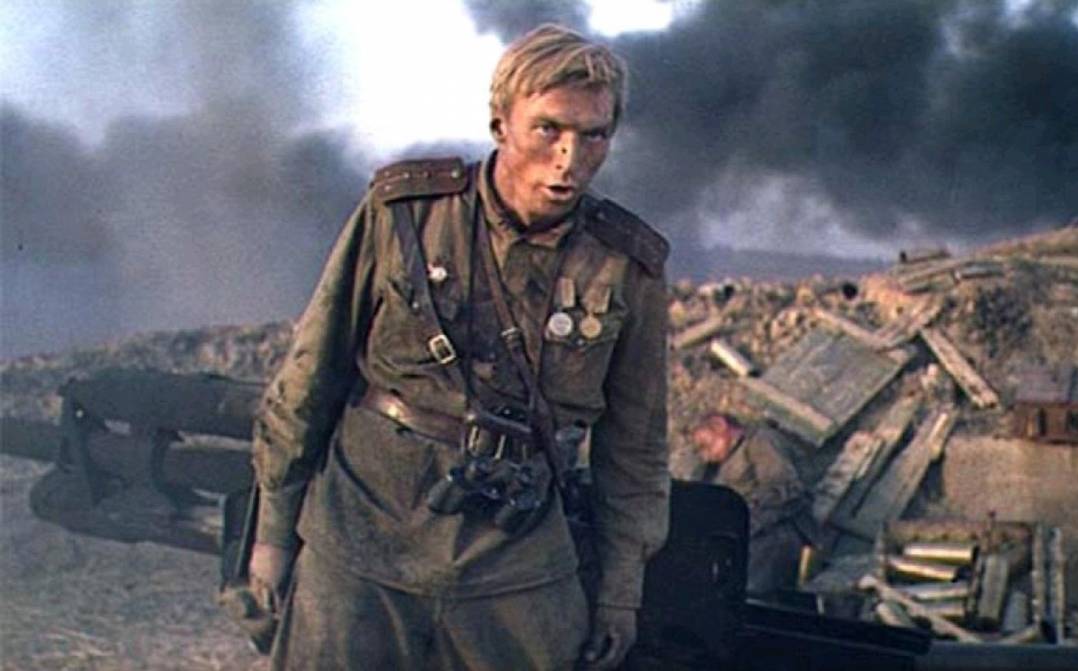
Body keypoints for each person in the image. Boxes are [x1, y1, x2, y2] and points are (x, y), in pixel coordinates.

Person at [246, 24, 670, 671]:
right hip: (365, 531)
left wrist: (619, 593)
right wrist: (273, 534)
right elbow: (311, 373)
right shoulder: (405, 213)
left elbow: (635, 446)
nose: (569, 158)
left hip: (517, 557)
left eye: (593, 136)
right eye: (548, 129)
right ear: (500, 124)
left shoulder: (625, 264)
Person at [689, 414, 818, 595]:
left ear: (719, 425)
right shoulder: (713, 468)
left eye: (705, 446)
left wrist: (742, 520)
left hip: (779, 531)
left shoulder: (760, 441)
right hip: (741, 533)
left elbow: (786, 491)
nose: (705, 457)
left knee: (741, 582)